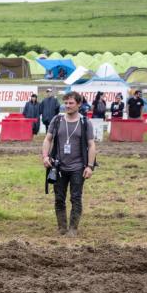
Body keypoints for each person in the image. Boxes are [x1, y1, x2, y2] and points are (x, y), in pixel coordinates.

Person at [41, 92, 96, 237]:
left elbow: (91, 145)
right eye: (66, 103)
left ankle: (73, 228)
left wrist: (90, 166)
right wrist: (45, 157)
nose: (68, 106)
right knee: (59, 198)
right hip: (59, 167)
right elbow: (48, 139)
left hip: (78, 167)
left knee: (76, 197)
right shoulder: (57, 120)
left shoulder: (85, 122)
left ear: (79, 104)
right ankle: (62, 227)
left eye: (71, 103)